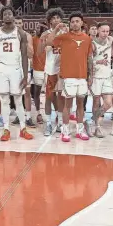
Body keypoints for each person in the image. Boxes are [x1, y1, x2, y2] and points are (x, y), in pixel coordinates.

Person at [46, 11, 93, 142]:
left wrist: (91, 76)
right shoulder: (64, 37)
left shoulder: (87, 38)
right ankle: (65, 131)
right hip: (68, 77)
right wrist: (56, 28)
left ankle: (79, 130)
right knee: (68, 105)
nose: (75, 23)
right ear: (70, 24)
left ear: (82, 23)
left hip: (82, 76)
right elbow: (49, 42)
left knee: (80, 105)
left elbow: (89, 58)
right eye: (72, 21)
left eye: (77, 21)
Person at [0, 6, 33, 141]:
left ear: (13, 16)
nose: (7, 16)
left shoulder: (20, 33)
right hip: (2, 69)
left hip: (16, 68)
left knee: (18, 100)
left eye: (10, 13)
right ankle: (6, 129)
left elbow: (25, 56)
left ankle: (22, 128)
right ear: (1, 17)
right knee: (4, 100)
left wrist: (26, 75)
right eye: (5, 14)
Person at [39, 8, 65, 136]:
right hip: (50, 69)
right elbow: (40, 51)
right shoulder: (46, 34)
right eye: (53, 18)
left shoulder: (66, 32)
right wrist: (44, 44)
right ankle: (48, 123)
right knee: (49, 97)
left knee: (61, 97)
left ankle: (60, 122)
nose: (56, 20)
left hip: (63, 69)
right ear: (49, 21)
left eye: (58, 18)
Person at [90, 22, 113, 138]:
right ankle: (97, 127)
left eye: (107, 31)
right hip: (96, 76)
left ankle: (93, 119)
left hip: (107, 76)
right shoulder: (93, 44)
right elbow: (87, 60)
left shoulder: (110, 40)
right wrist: (97, 61)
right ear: (98, 31)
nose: (105, 33)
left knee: (108, 103)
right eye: (103, 31)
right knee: (96, 102)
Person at [13, 16, 35, 128]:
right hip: (14, 66)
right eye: (15, 22)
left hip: (25, 67)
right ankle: (19, 114)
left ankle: (28, 116)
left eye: (19, 23)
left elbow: (31, 53)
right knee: (16, 93)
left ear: (23, 24)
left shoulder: (27, 36)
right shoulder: (10, 36)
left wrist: (25, 43)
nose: (17, 24)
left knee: (27, 92)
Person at [32, 23, 47, 124]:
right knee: (36, 93)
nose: (37, 29)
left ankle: (53, 116)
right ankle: (38, 114)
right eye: (36, 27)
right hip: (37, 70)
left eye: (39, 27)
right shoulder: (33, 39)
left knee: (51, 95)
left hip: (49, 70)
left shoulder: (50, 39)